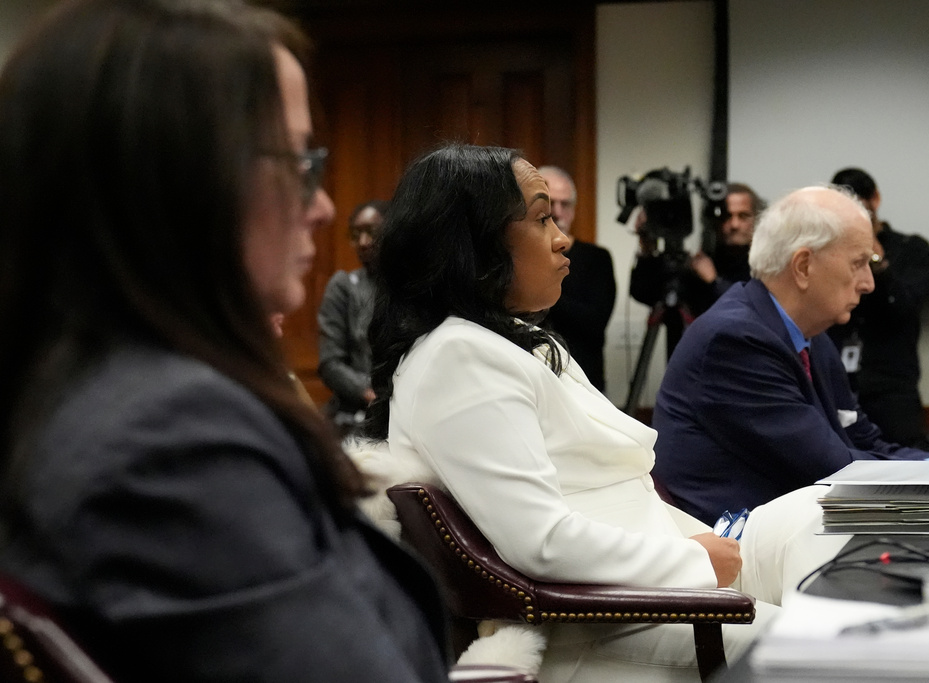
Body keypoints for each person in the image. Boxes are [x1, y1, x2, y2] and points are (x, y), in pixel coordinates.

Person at [0, 1, 449, 681]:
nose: (323, 205)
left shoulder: (80, 386)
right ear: (178, 181)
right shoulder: (173, 439)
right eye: (298, 162)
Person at [363, 144, 851, 683]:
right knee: (834, 647)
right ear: (475, 242)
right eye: (542, 217)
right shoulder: (458, 356)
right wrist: (695, 562)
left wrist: (716, 548)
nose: (563, 236)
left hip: (655, 570)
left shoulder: (510, 338)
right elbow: (542, 544)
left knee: (830, 512)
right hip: (610, 615)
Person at [651, 186, 929, 526]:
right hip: (734, 561)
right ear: (803, 266)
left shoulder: (811, 336)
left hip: (803, 530)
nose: (869, 283)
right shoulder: (735, 341)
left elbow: (868, 444)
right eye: (859, 262)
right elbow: (835, 470)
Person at [828, 168, 929, 446]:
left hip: (893, 387)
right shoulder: (832, 250)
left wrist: (871, 252)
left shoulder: (911, 248)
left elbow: (904, 307)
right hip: (839, 381)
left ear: (875, 199)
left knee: (908, 467)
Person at [628, 183, 761, 359]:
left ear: (757, 219)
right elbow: (644, 293)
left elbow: (754, 313)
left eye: (743, 216)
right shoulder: (698, 265)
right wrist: (647, 251)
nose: (734, 224)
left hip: (743, 365)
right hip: (695, 370)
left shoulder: (766, 265)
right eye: (726, 216)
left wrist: (714, 282)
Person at [536, 166, 616, 392]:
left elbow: (594, 323)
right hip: (536, 379)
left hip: (584, 381)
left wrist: (543, 295)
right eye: (551, 203)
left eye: (565, 204)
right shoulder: (522, 260)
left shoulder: (596, 258)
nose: (558, 212)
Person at [318, 200, 386, 429]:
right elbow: (331, 363)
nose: (363, 242)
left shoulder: (408, 287)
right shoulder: (344, 286)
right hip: (354, 412)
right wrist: (372, 394)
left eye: (371, 232)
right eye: (356, 234)